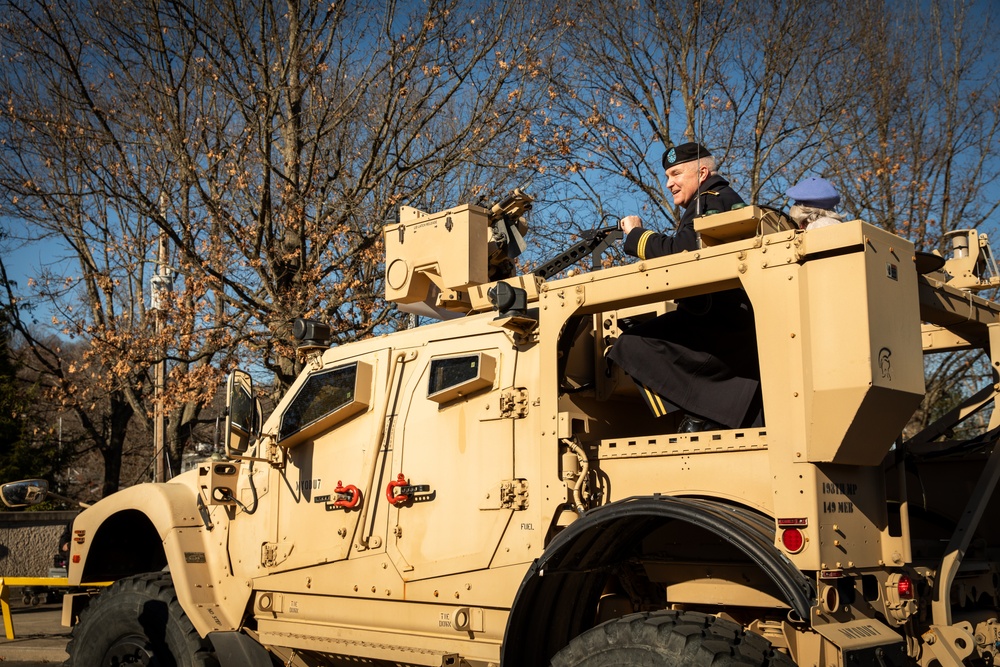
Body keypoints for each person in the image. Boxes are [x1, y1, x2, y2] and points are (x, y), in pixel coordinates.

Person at [608, 142, 762, 433]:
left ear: (702, 172)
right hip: (725, 318)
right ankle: (703, 413)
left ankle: (698, 415)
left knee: (629, 346)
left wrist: (636, 235)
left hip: (718, 323)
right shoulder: (714, 199)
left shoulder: (712, 200)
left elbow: (684, 252)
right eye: (667, 176)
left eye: (676, 174)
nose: (669, 183)